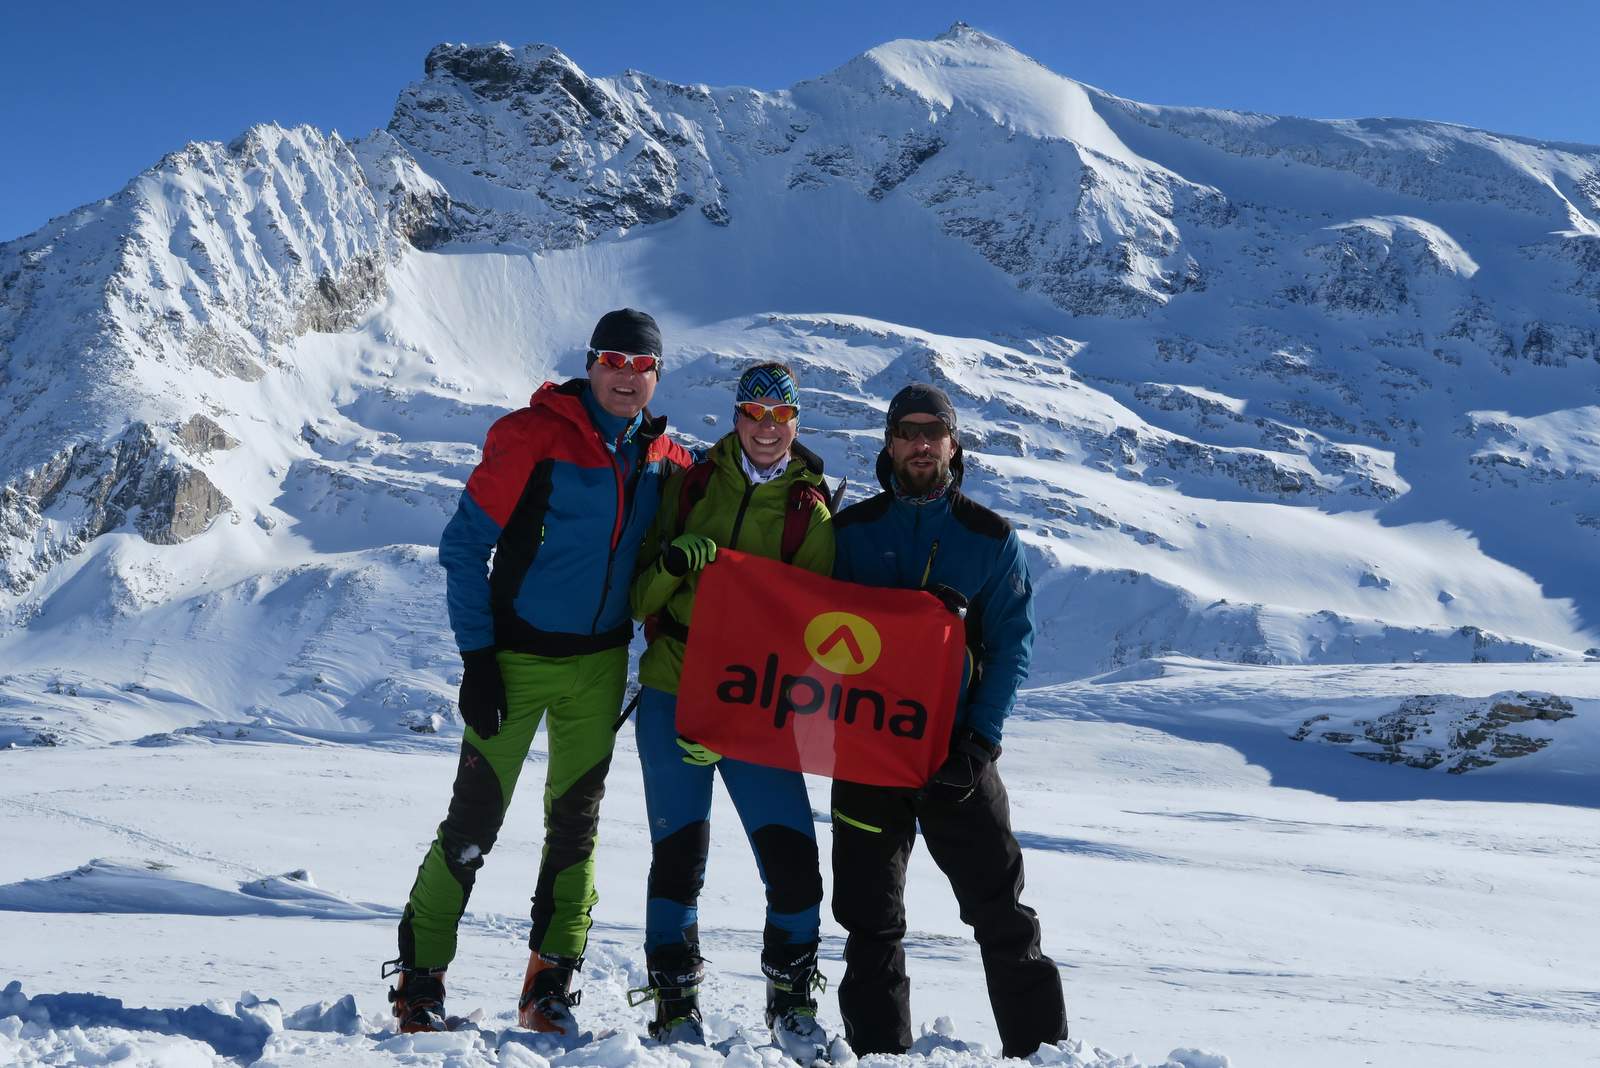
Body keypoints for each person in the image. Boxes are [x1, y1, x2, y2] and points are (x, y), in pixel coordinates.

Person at [385, 309, 693, 1035]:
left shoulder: (665, 460)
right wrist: (478, 658)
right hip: (516, 662)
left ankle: (549, 984)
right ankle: (420, 983)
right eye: (612, 360)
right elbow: (465, 547)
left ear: (657, 375)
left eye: (640, 364)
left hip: (599, 665)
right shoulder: (532, 437)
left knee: (576, 830)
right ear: (590, 365)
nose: (625, 375)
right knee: (472, 826)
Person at [828, 382, 1067, 1058]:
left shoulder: (989, 539)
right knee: (870, 922)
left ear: (953, 445)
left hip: (955, 755)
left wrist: (979, 742)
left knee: (1002, 916)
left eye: (933, 432)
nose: (921, 443)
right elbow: (802, 625)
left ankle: (1041, 1053)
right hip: (868, 754)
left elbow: (1012, 646)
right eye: (907, 431)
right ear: (888, 444)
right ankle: (879, 1054)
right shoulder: (848, 534)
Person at [627, 362, 835, 1057]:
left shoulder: (810, 512)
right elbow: (639, 600)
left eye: (780, 417)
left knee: (793, 862)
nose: (766, 429)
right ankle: (674, 1005)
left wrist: (738, 719)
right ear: (737, 417)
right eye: (754, 414)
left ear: (795, 424)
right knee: (678, 858)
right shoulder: (691, 485)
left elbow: (814, 637)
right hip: (673, 692)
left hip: (759, 708)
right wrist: (672, 567)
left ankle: (791, 999)